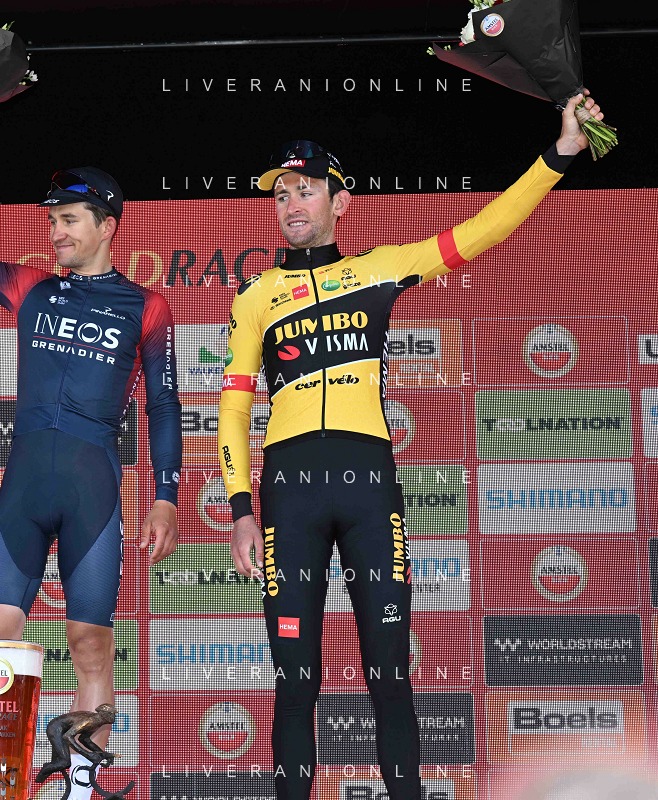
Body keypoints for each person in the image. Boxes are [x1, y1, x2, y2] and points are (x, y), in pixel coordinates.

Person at [217, 90, 605, 800]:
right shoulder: (255, 295)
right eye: (281, 194)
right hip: (288, 496)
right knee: (294, 681)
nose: (291, 203)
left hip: (369, 489)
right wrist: (241, 508)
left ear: (341, 201)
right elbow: (234, 406)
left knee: (390, 677)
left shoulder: (379, 267)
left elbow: (485, 228)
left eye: (306, 189)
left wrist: (560, 154)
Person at [0, 99, 181, 797]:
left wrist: (167, 498)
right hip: (23, 489)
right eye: (52, 221)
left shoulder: (146, 307)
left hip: (92, 492)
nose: (55, 232)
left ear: (106, 225)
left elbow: (164, 405)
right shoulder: (30, 288)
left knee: (91, 645)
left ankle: (81, 791)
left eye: (69, 220)